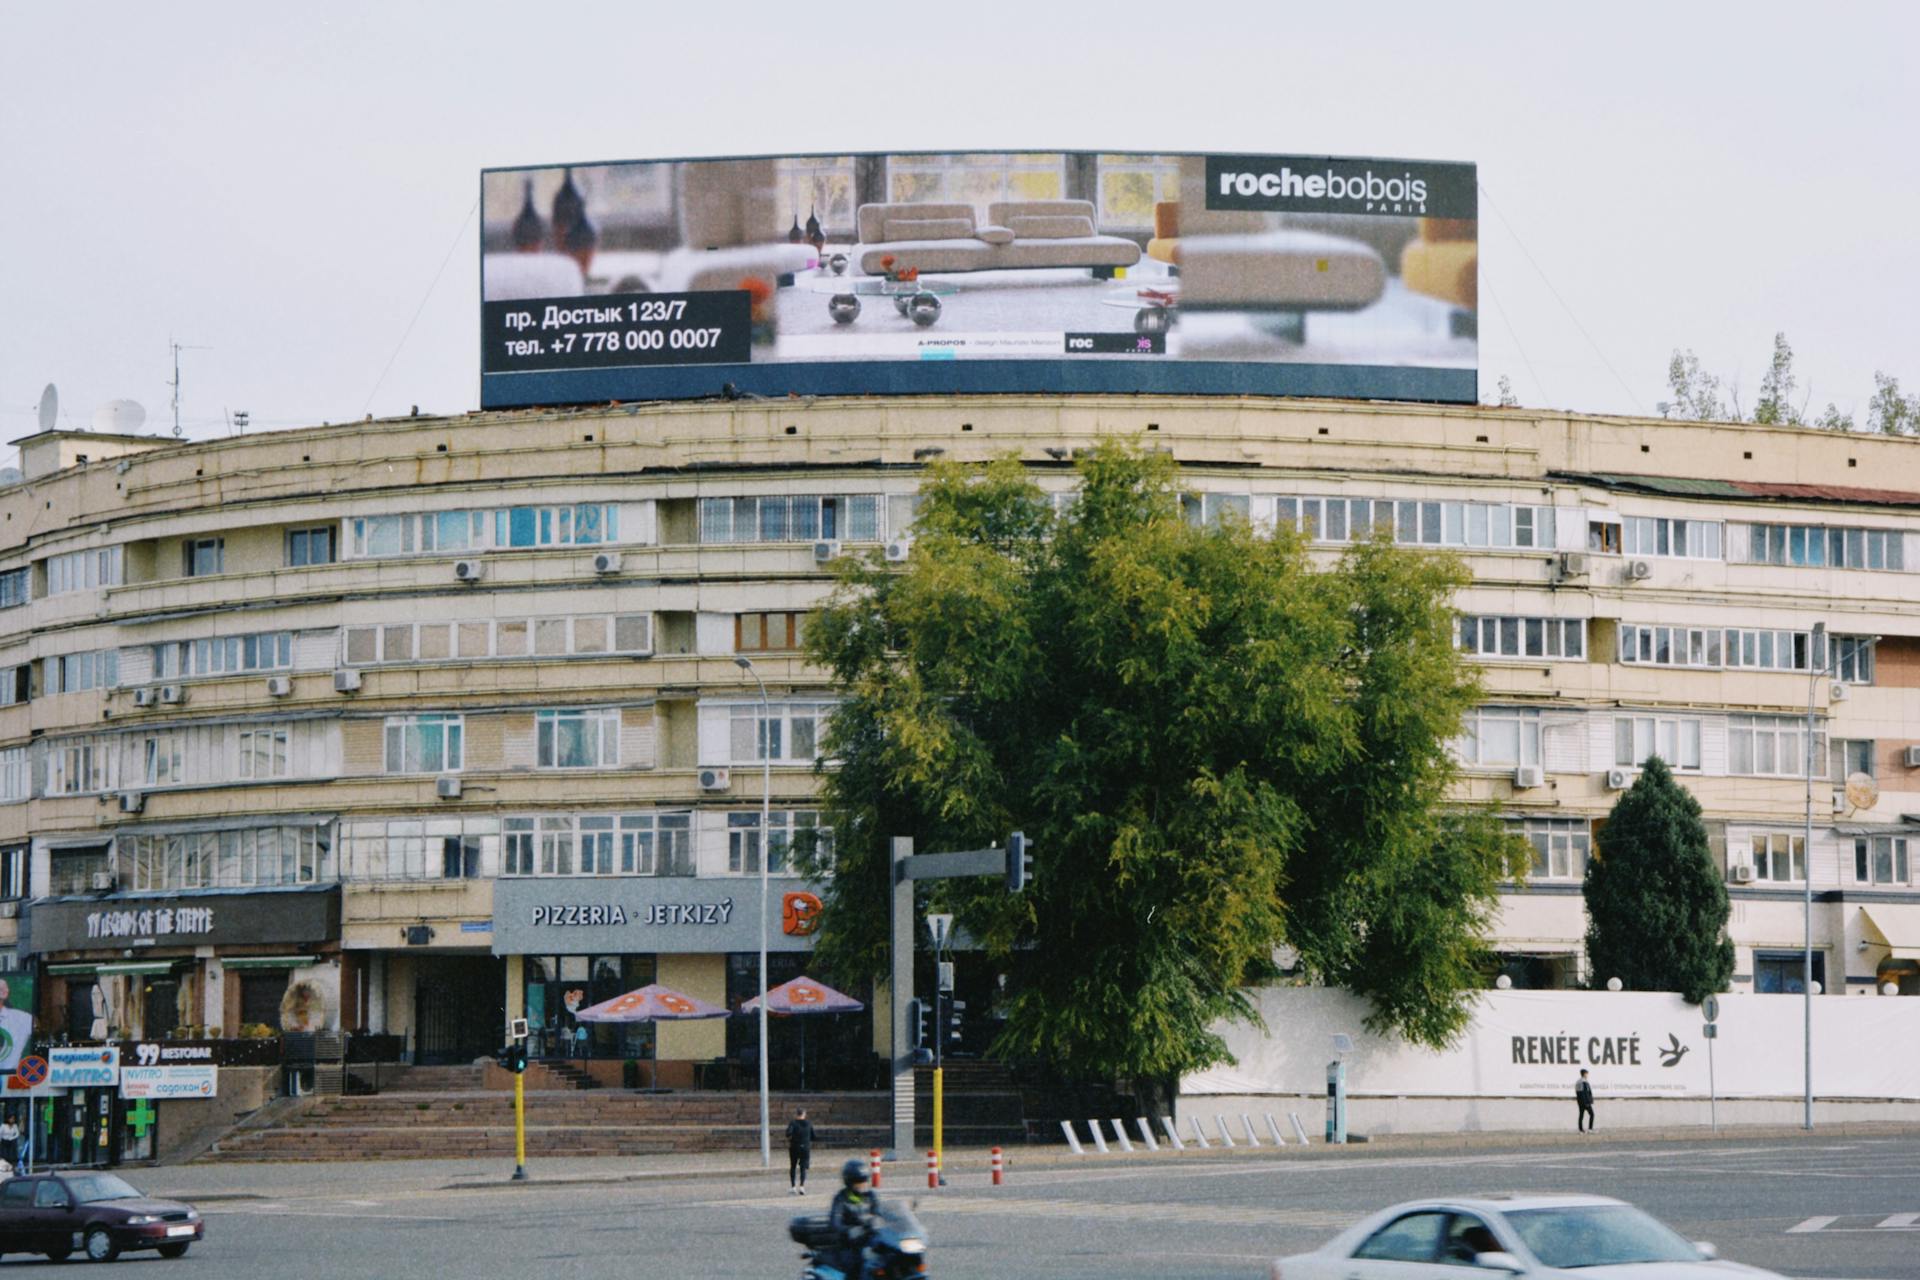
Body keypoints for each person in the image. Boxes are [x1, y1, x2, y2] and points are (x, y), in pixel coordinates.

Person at [827, 1156, 881, 1279]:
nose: (862, 1185)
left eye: (864, 1181)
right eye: (858, 1182)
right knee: (857, 1264)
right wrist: (851, 1230)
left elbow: (881, 1214)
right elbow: (835, 1223)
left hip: (871, 1240)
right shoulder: (841, 1198)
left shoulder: (871, 1196)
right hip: (850, 1244)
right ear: (850, 1182)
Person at [785, 1106, 815, 1195]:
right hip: (805, 1147)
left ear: (796, 1114)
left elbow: (788, 1133)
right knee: (803, 1168)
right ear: (804, 1114)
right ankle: (802, 1187)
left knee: (793, 1166)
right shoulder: (809, 1123)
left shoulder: (793, 1123)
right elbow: (813, 1136)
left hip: (794, 1147)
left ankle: (793, 1187)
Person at [1576, 1068, 1595, 1132]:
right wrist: (1587, 1102)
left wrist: (1580, 1101)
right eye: (1586, 1074)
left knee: (1581, 1115)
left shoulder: (1578, 1082)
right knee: (1592, 1114)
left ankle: (1580, 1129)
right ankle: (1590, 1129)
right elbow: (1585, 1092)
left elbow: (1578, 1092)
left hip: (1580, 1101)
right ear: (1584, 1074)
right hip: (1585, 1102)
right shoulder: (1584, 1082)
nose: (1587, 1075)